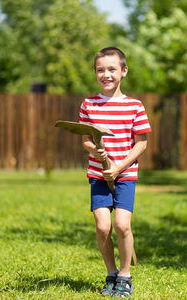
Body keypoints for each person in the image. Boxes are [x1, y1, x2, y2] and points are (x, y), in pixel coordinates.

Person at [79, 47, 151, 298]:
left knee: (122, 225)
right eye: (101, 70)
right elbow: (86, 139)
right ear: (95, 73)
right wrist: (95, 151)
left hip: (125, 174)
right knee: (102, 227)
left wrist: (119, 167)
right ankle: (111, 273)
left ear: (124, 71)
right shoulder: (89, 104)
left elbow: (141, 143)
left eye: (112, 69)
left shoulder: (134, 106)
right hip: (98, 174)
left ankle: (125, 276)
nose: (106, 74)